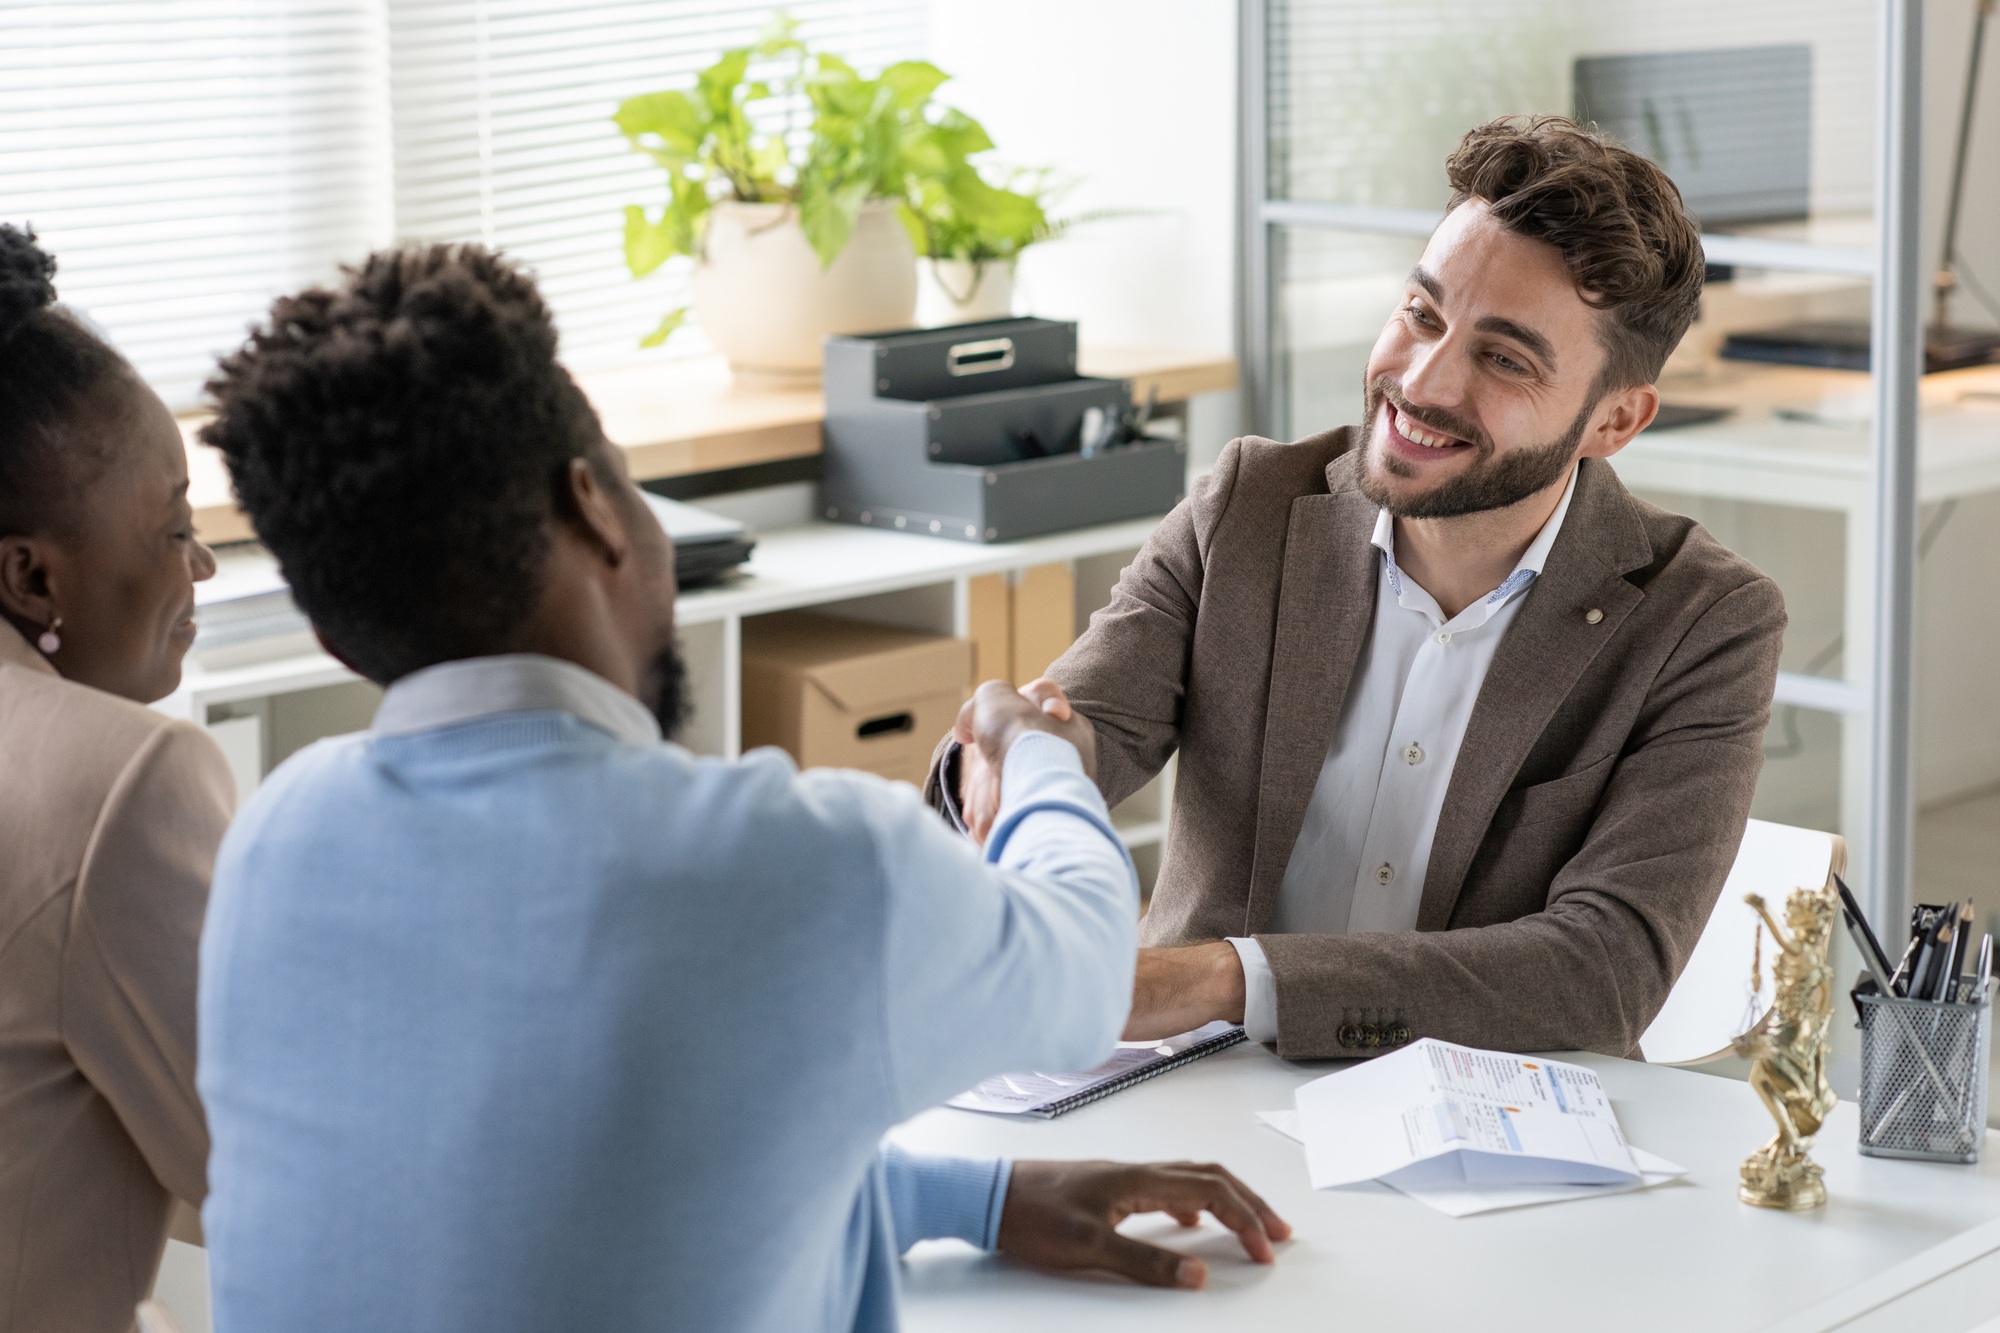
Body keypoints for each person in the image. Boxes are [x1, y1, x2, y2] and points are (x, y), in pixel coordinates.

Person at [194, 243, 1287, 1333]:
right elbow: (1083, 971)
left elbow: (560, 1175)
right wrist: (1029, 740)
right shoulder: (793, 860)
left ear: (336, 639)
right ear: (598, 509)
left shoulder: (274, 842)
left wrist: (979, 1196)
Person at [934, 116, 1785, 1060]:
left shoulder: (1700, 619)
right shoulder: (1250, 507)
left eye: (1504, 359)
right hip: (1194, 1097)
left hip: (1492, 1142)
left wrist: (1224, 978)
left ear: (1614, 420)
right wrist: (1022, 750)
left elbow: (1601, 972)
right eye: (1423, 315)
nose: (1420, 382)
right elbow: (1091, 722)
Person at [0, 225, 232, 1331]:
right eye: (175, 524)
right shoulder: (123, 782)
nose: (202, 564)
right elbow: (256, 1156)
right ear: (30, 575)